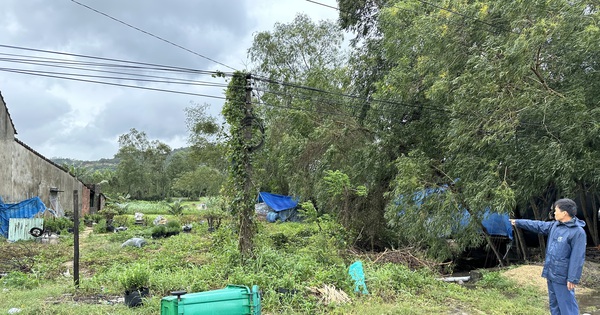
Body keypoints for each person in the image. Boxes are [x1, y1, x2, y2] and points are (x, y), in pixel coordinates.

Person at [510, 198, 587, 315]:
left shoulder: (577, 232)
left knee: (567, 307)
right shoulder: (555, 226)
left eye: (556, 210)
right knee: (554, 305)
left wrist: (573, 278)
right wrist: (518, 222)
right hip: (551, 273)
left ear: (564, 213)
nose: (554, 213)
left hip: (563, 276)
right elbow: (538, 225)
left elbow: (577, 257)